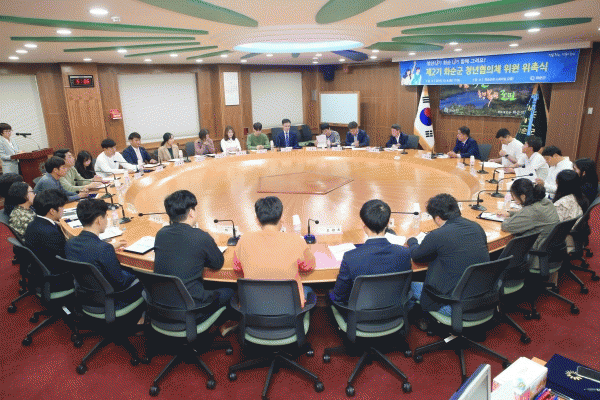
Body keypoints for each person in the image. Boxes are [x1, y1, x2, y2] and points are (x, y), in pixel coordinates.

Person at [154, 190, 233, 318]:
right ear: (191, 212)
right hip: (192, 309)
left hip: (161, 307)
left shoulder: (161, 234)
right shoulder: (201, 237)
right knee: (230, 291)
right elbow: (218, 263)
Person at [407, 193, 489, 317]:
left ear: (437, 218)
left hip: (454, 305)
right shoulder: (477, 227)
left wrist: (412, 241)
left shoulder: (437, 235)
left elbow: (416, 256)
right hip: (482, 297)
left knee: (409, 286)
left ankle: (422, 318)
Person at [233, 196, 315, 307]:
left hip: (254, 307)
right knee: (308, 289)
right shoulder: (297, 240)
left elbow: (237, 268)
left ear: (257, 220)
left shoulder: (243, 240)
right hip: (290, 309)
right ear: (282, 218)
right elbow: (309, 266)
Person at [330, 199, 411, 304]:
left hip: (359, 313)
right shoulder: (405, 252)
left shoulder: (350, 257)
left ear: (363, 224)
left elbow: (339, 296)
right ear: (388, 223)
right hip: (396, 310)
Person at [65, 199, 140, 294]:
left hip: (85, 295)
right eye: (106, 217)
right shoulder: (104, 249)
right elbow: (120, 282)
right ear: (99, 220)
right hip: (115, 297)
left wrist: (110, 246)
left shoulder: (70, 243)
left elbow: (91, 250)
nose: (106, 220)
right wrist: (136, 273)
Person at [498, 178, 560, 257]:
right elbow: (530, 216)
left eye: (513, 196)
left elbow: (506, 226)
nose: (513, 199)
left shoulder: (531, 210)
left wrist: (506, 219)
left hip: (535, 253)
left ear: (523, 197)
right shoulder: (545, 201)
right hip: (551, 250)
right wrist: (510, 214)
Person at [24, 189, 68, 272]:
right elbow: (65, 255)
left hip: (40, 264)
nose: (63, 209)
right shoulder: (51, 233)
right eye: (62, 207)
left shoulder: (33, 223)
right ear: (52, 211)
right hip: (57, 270)